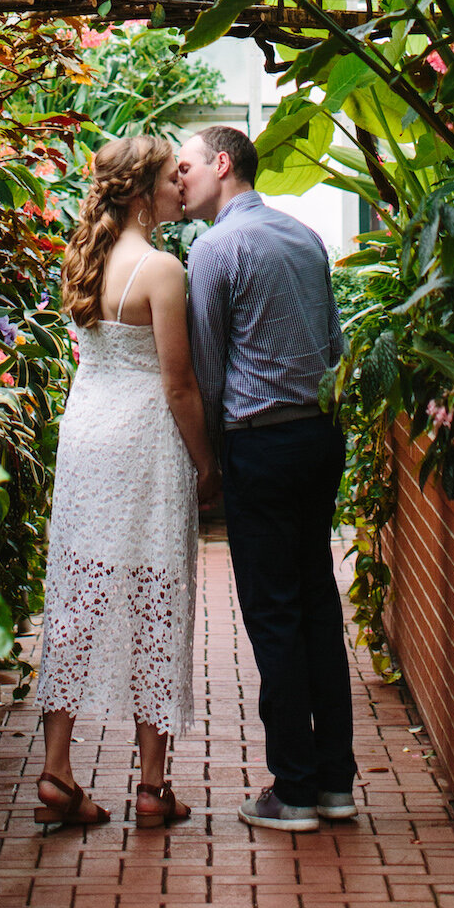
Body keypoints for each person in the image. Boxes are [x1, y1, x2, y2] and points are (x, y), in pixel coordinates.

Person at [35, 135, 221, 831]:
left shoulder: (87, 255)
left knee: (77, 595)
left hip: (87, 431)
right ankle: (152, 785)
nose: (182, 184)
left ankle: (57, 770)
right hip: (144, 439)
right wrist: (207, 464)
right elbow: (178, 384)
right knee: (154, 597)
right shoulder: (161, 268)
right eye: (172, 177)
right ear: (144, 191)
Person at [178, 123, 356, 835]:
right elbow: (335, 341)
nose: (179, 179)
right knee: (317, 603)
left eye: (186, 166)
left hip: (261, 445)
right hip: (319, 437)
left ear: (223, 164)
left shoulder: (215, 248)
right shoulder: (305, 236)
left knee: (274, 615)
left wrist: (210, 463)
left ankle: (294, 787)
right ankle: (336, 781)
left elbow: (208, 369)